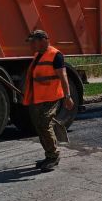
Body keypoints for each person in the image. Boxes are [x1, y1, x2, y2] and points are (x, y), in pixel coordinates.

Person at [22, 30, 74, 171]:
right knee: (39, 127)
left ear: (43, 40)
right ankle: (48, 155)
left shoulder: (55, 55)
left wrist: (68, 97)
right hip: (38, 98)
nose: (31, 45)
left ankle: (53, 155)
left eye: (33, 42)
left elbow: (63, 77)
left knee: (45, 124)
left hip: (51, 97)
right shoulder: (38, 56)